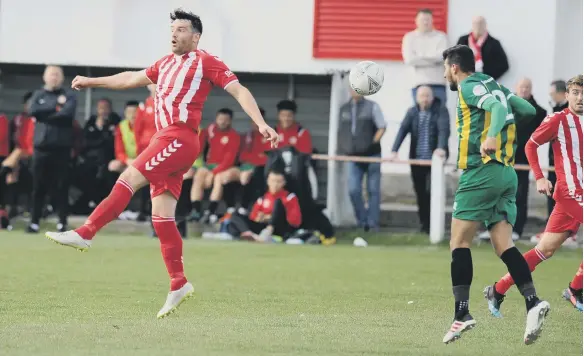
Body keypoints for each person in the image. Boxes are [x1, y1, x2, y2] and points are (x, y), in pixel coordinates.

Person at [45, 9, 279, 319]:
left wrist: (261, 123)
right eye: (172, 28)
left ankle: (86, 232)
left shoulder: (206, 61)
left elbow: (238, 90)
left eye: (181, 29)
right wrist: (91, 81)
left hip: (179, 138)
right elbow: (129, 78)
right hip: (167, 139)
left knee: (128, 178)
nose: (174, 33)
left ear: (195, 37)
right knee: (162, 218)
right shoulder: (165, 64)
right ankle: (178, 283)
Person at [440, 44, 549, 345]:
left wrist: (491, 135)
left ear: (454, 67)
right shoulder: (492, 83)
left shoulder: (468, 86)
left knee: (459, 242)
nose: (445, 74)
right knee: (504, 245)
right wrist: (503, 132)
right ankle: (532, 301)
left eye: (445, 68)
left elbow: (498, 109)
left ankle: (461, 314)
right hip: (507, 173)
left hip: (481, 170)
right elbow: (526, 110)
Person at [484, 74, 583, 314]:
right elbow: (531, 144)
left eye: (583, 94)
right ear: (567, 94)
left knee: (545, 250)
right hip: (571, 192)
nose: (580, 98)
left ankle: (498, 289)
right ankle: (576, 289)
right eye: (576, 93)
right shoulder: (558, 120)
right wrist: (539, 176)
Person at [390, 85, 450, 234]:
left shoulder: (440, 110)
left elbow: (444, 129)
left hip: (434, 160)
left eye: (427, 96)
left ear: (432, 97)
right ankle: (424, 225)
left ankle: (434, 227)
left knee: (432, 192)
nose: (425, 99)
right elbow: (403, 130)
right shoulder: (412, 112)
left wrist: (441, 148)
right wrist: (394, 150)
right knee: (420, 193)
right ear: (417, 98)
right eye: (422, 96)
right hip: (416, 160)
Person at [29, 65, 77, 233]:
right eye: (51, 74)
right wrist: (55, 105)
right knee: (38, 187)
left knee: (61, 186)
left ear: (62, 78)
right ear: (45, 77)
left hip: (61, 148)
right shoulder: (38, 95)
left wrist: (46, 114)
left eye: (57, 74)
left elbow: (67, 114)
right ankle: (34, 222)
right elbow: (33, 110)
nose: (54, 77)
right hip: (41, 148)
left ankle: (62, 222)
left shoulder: (69, 95)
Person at [338, 88, 386, 231]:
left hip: (372, 155)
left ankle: (372, 225)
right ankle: (362, 221)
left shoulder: (372, 106)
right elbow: (341, 131)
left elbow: (382, 127)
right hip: (353, 156)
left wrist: (371, 144)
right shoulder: (343, 109)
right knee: (353, 190)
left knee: (373, 190)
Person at [188, 108, 241, 224]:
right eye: (220, 119)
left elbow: (229, 160)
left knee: (218, 179)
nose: (222, 122)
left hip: (225, 167)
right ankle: (196, 211)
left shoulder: (234, 136)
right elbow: (198, 149)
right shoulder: (209, 131)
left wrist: (213, 173)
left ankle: (210, 212)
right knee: (199, 175)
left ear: (230, 121)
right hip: (209, 165)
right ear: (216, 119)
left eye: (226, 120)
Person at [226, 167, 301, 242]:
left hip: (279, 228)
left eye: (278, 181)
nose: (275, 184)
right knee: (235, 216)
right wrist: (260, 217)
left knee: (278, 203)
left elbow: (295, 220)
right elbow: (254, 217)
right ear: (268, 181)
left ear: (284, 183)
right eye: (272, 181)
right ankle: (248, 234)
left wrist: (270, 217)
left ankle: (265, 234)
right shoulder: (263, 198)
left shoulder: (289, 197)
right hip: (263, 226)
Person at [401, 8, 449, 104]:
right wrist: (433, 59)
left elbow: (442, 57)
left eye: (428, 19)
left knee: (440, 116)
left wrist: (420, 57)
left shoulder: (441, 37)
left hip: (438, 84)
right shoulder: (409, 38)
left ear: (432, 20)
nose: (425, 22)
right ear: (416, 21)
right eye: (423, 20)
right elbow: (410, 60)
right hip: (417, 84)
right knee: (420, 117)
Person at [456, 16, 509, 80]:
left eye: (481, 23)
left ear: (485, 25)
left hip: (485, 82)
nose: (478, 26)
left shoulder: (494, 43)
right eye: (476, 23)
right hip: (465, 81)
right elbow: (454, 60)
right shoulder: (463, 41)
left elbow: (504, 65)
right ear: (472, 25)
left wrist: (488, 78)